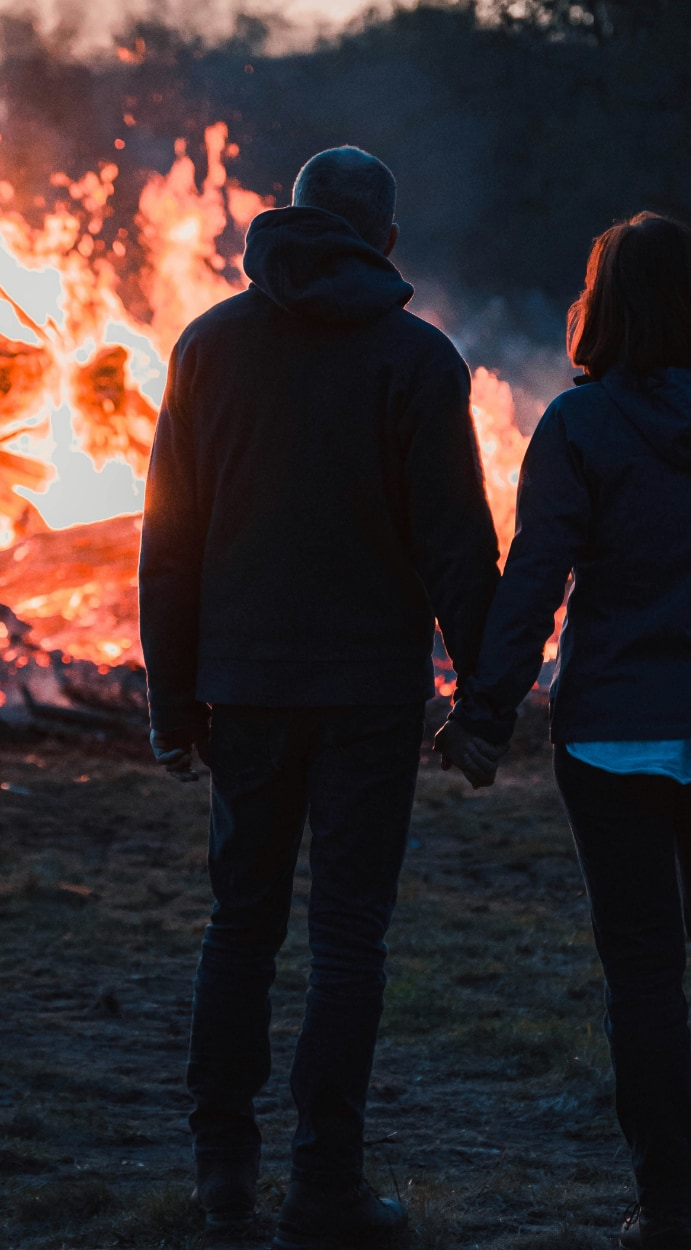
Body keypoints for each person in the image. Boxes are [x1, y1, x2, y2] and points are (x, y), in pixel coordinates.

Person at [138, 146, 500, 1249]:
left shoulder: (207, 347)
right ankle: (325, 1183)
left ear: (286, 223)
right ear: (385, 243)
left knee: (239, 924)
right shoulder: (419, 358)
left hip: (244, 689)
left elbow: (170, 543)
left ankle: (223, 1173)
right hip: (368, 697)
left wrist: (172, 699)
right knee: (349, 936)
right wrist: (483, 705)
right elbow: (457, 549)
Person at [437, 213, 691, 1250]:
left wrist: (483, 712)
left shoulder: (582, 424)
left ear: (600, 307)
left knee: (643, 971)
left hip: (613, 738)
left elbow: (534, 581)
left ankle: (665, 1210)